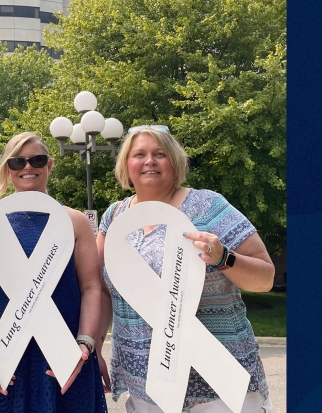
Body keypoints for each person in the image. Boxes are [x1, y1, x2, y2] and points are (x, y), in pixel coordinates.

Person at [96, 126, 275, 413]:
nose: (149, 161)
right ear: (126, 165)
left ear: (175, 162)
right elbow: (101, 291)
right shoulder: (115, 217)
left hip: (218, 384)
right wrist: (94, 347)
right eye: (139, 154)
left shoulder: (208, 207)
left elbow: (265, 277)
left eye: (160, 154)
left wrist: (223, 257)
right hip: (147, 386)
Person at [0, 131, 108, 413]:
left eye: (37, 159)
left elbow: (92, 286)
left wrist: (85, 344)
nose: (27, 167)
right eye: (18, 162)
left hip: (64, 351)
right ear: (8, 170)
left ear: (50, 165)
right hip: (7, 350)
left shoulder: (74, 220)